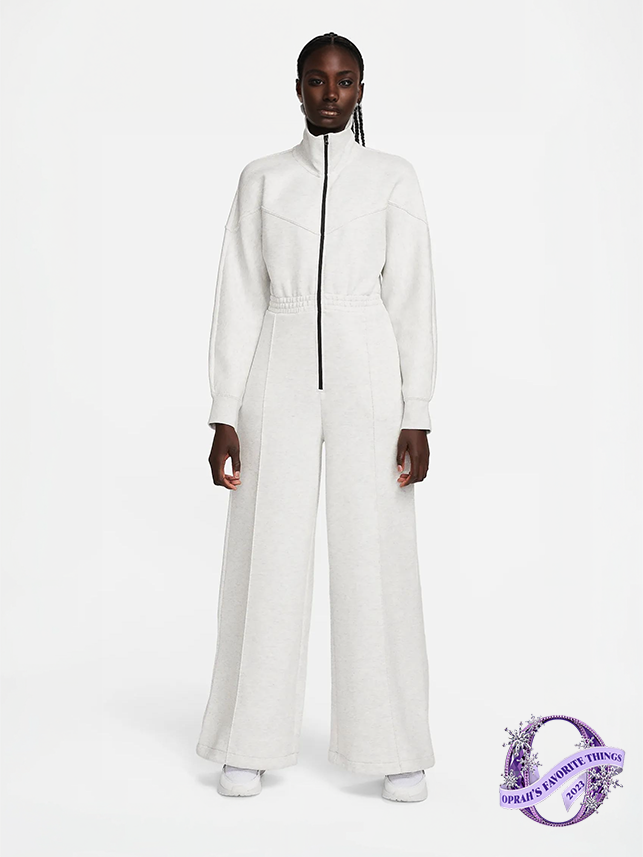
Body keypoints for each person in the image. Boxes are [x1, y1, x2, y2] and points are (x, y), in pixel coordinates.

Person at [196, 32, 438, 803]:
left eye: (344, 80)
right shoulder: (262, 179)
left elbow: (412, 296)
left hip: (369, 368)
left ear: (361, 89)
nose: (330, 93)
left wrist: (417, 410)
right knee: (265, 550)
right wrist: (224, 410)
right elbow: (239, 292)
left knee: (377, 553)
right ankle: (247, 739)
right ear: (297, 88)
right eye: (316, 80)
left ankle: (395, 745)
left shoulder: (393, 178)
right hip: (279, 363)